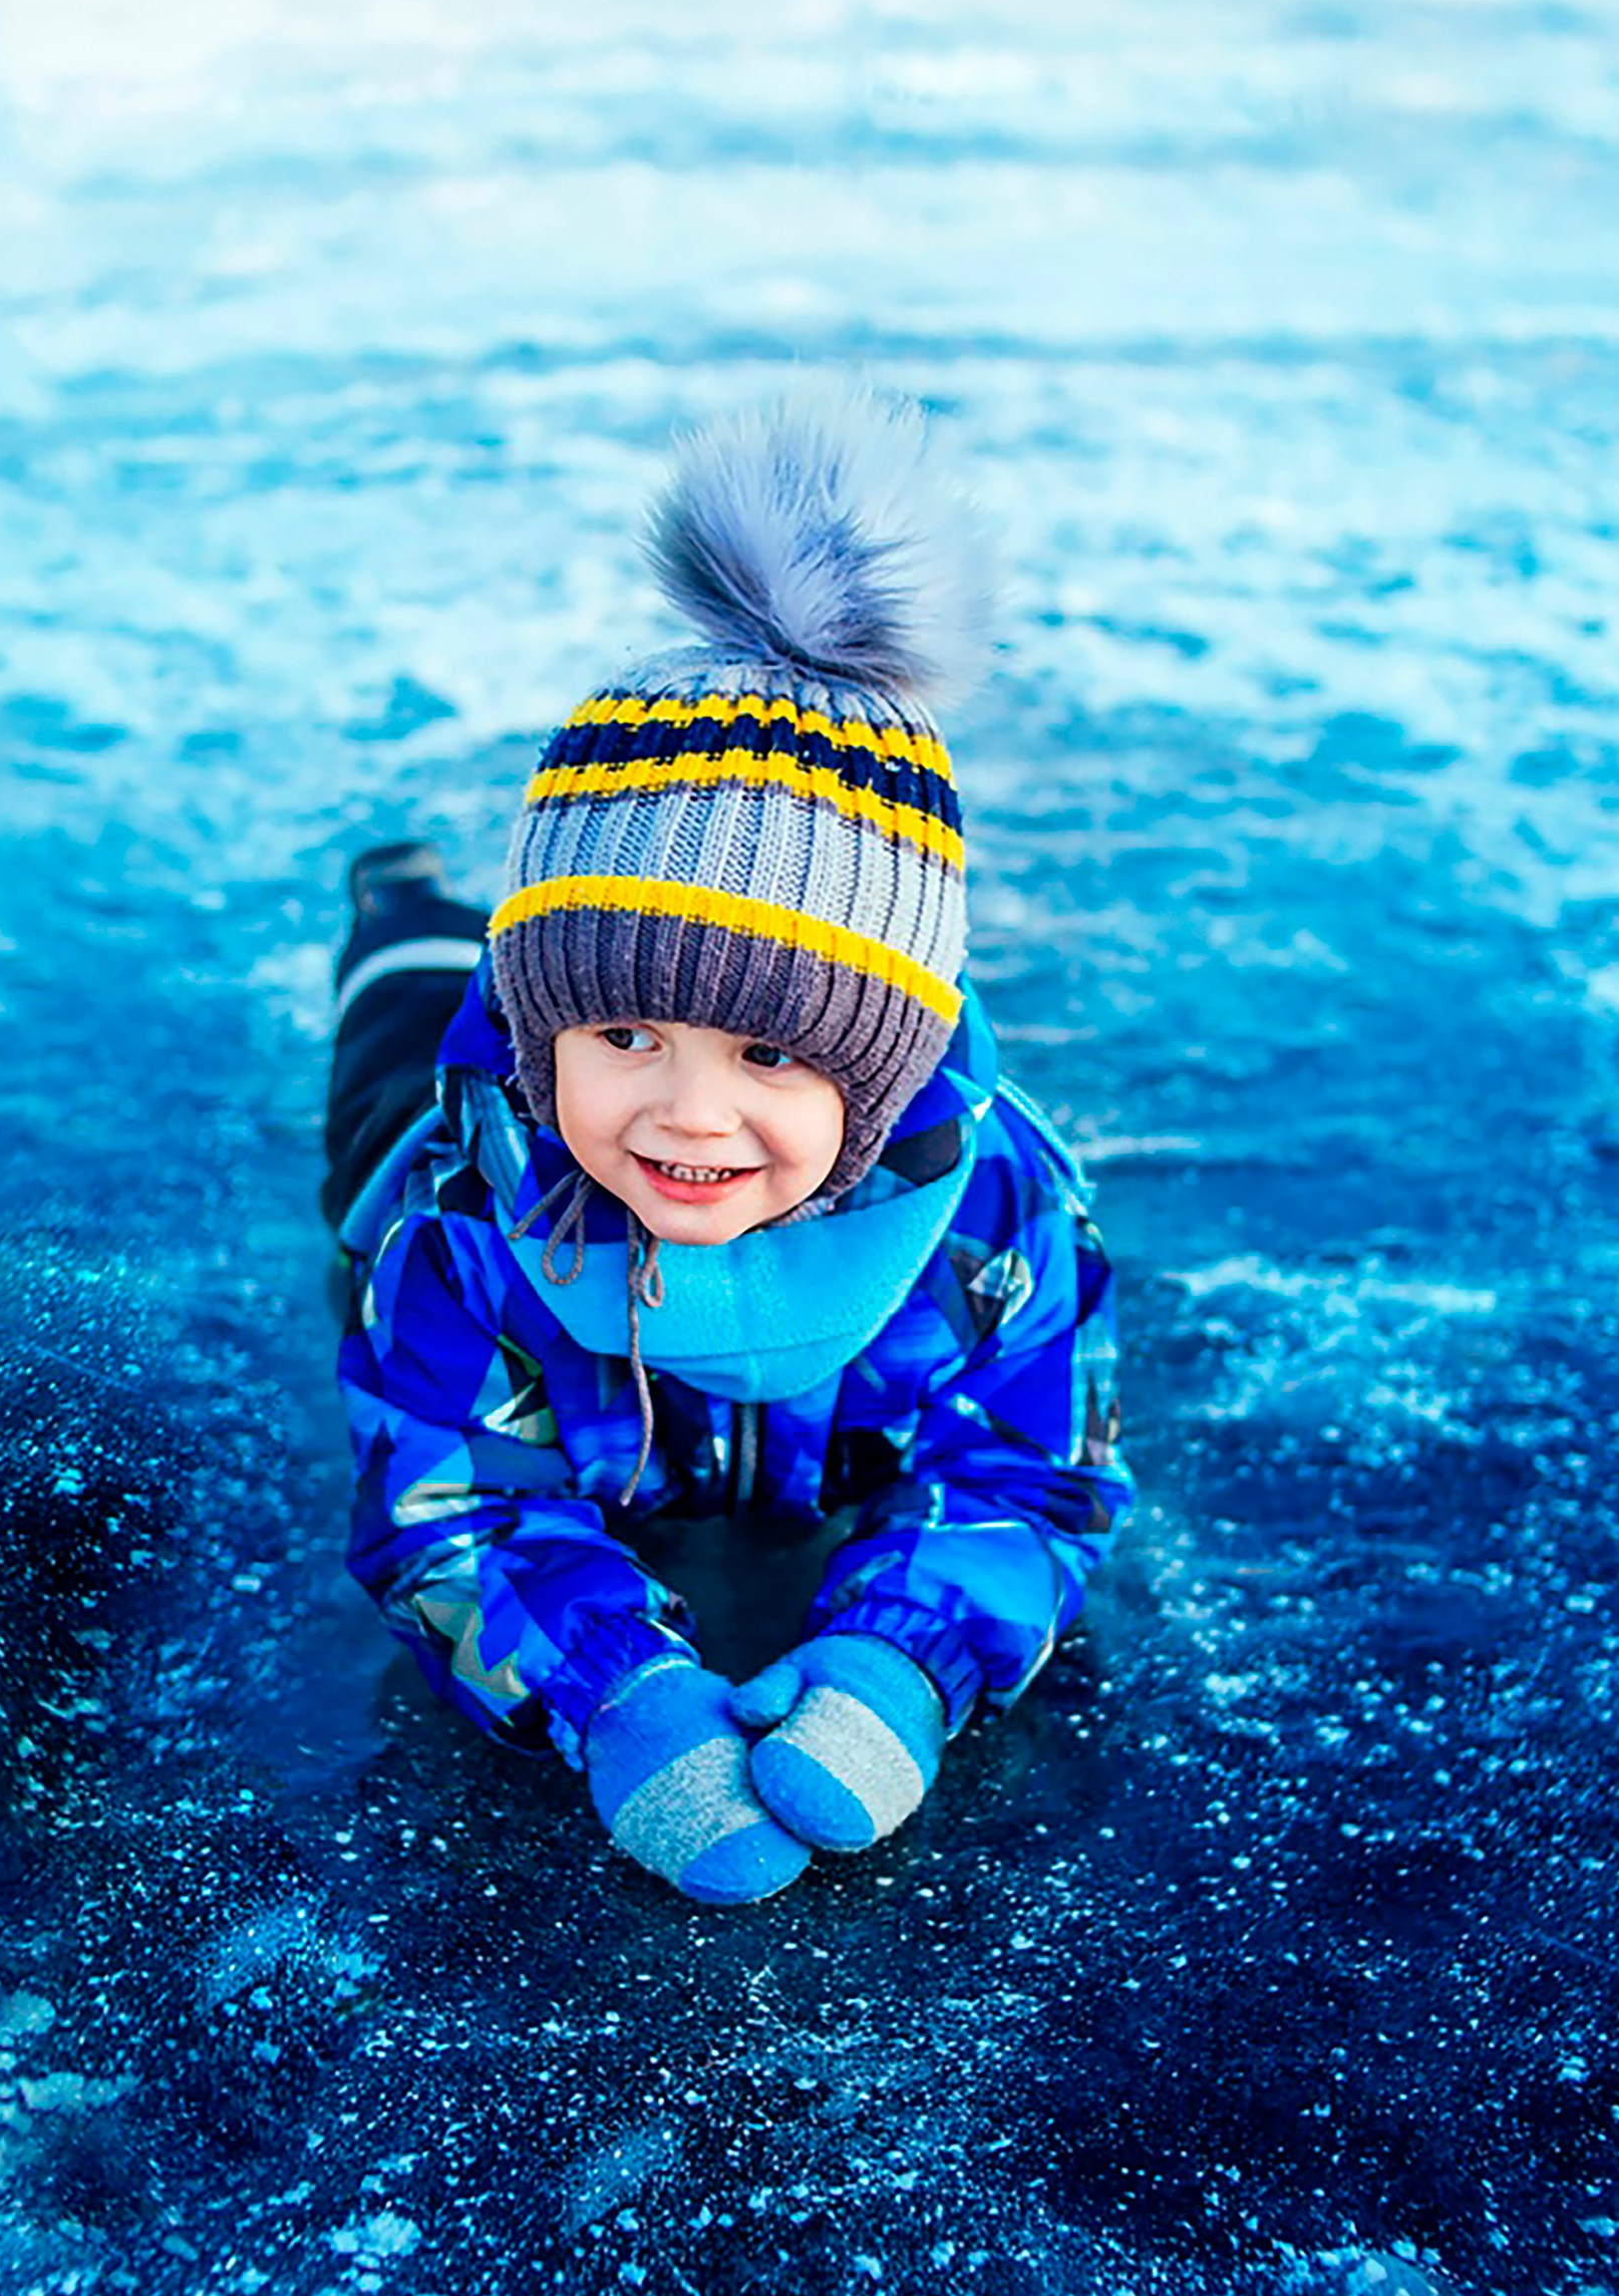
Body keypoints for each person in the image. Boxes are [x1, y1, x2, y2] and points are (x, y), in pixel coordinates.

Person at [327, 391, 1134, 1904]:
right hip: (458, 1119)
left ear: (880, 1069)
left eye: (770, 1054)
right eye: (623, 1037)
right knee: (389, 1031)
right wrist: (616, 1696)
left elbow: (1027, 1474)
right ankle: (402, 910)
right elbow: (452, 1505)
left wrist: (906, 1663)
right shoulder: (455, 1224)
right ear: (544, 1032)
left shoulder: (1000, 1216)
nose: (689, 1116)